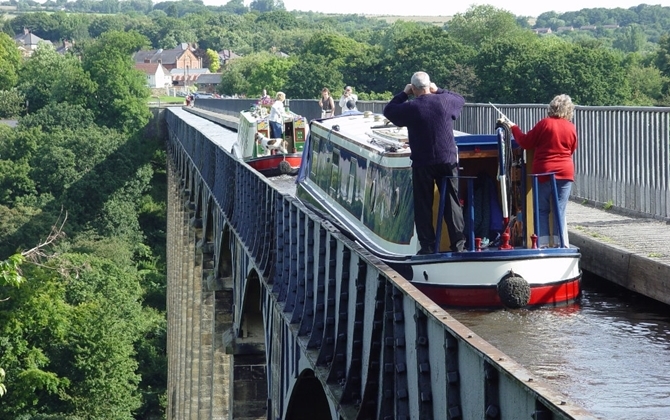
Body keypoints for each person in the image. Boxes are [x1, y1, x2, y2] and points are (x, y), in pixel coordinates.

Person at [383, 71, 466, 254]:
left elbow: (389, 110)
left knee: (423, 205)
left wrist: (404, 94)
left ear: (413, 88)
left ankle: (428, 247)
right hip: (447, 159)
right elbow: (460, 99)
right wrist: (439, 90)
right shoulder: (445, 101)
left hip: (423, 161)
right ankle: (459, 246)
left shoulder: (412, 107)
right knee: (452, 203)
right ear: (429, 86)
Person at [505, 94, 577, 248]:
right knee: (559, 210)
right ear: (569, 110)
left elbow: (525, 142)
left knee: (542, 209)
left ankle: (542, 244)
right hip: (565, 172)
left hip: (544, 171)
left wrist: (514, 128)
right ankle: (561, 245)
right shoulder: (571, 127)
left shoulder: (544, 124)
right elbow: (572, 149)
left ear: (551, 108)